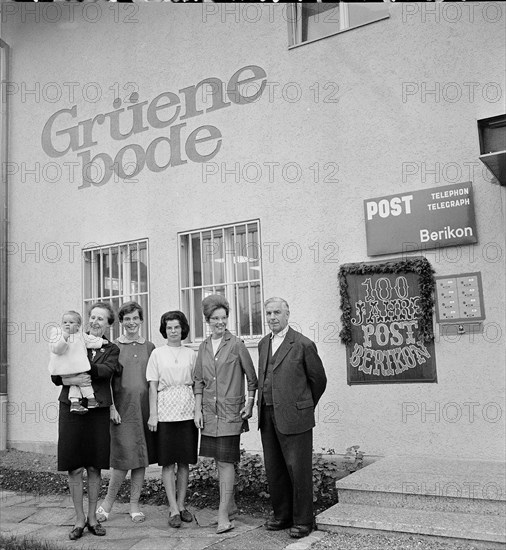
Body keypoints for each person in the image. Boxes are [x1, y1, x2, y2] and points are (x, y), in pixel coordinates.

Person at [51, 302, 122, 541]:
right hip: (70, 410)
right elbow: (55, 375)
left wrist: (79, 367)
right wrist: (70, 376)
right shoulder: (72, 338)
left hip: (97, 409)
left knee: (94, 466)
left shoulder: (111, 348)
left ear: (109, 324)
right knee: (74, 466)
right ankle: (79, 519)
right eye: (92, 317)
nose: (94, 322)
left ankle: (93, 518)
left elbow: (106, 371)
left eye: (101, 319)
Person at [258, 297, 327, 539]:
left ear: (287, 315)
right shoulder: (263, 344)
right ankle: (282, 515)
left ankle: (303, 521)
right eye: (268, 313)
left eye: (277, 312)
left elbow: (318, 380)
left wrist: (303, 406)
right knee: (275, 468)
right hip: (268, 414)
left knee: (298, 470)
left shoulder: (302, 344)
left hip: (295, 417)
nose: (272, 317)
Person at [193, 294, 258, 535]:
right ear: (207, 320)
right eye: (215, 318)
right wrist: (197, 410)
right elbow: (198, 381)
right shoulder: (203, 346)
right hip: (210, 413)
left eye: (224, 317)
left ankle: (222, 514)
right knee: (219, 463)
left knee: (226, 462)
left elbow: (252, 379)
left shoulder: (237, 344)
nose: (221, 322)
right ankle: (230, 506)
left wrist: (250, 404)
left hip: (231, 413)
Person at [96, 301, 156, 524]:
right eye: (127, 319)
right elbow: (107, 381)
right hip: (121, 410)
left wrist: (155, 412)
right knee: (122, 459)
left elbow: (154, 381)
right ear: (121, 322)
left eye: (135, 318)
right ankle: (107, 504)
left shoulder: (149, 347)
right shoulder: (113, 347)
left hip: (144, 410)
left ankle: (134, 505)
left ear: (141, 320)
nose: (131, 322)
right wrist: (111, 407)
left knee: (140, 458)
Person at [146, 311, 198, 528]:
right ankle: (172, 508)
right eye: (169, 328)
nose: (173, 331)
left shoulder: (191, 354)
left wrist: (198, 412)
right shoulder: (157, 354)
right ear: (164, 330)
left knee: (184, 461)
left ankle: (182, 504)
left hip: (187, 409)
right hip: (165, 410)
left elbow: (197, 384)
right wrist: (153, 414)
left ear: (183, 329)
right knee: (168, 461)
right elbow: (152, 386)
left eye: (177, 327)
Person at [48, 310, 104, 414]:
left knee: (78, 383)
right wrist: (64, 337)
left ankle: (75, 403)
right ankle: (91, 399)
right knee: (83, 382)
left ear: (78, 326)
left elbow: (90, 340)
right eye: (65, 322)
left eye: (71, 322)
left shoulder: (80, 335)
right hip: (64, 369)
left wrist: (101, 342)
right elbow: (56, 349)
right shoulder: (58, 334)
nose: (67, 324)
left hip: (76, 368)